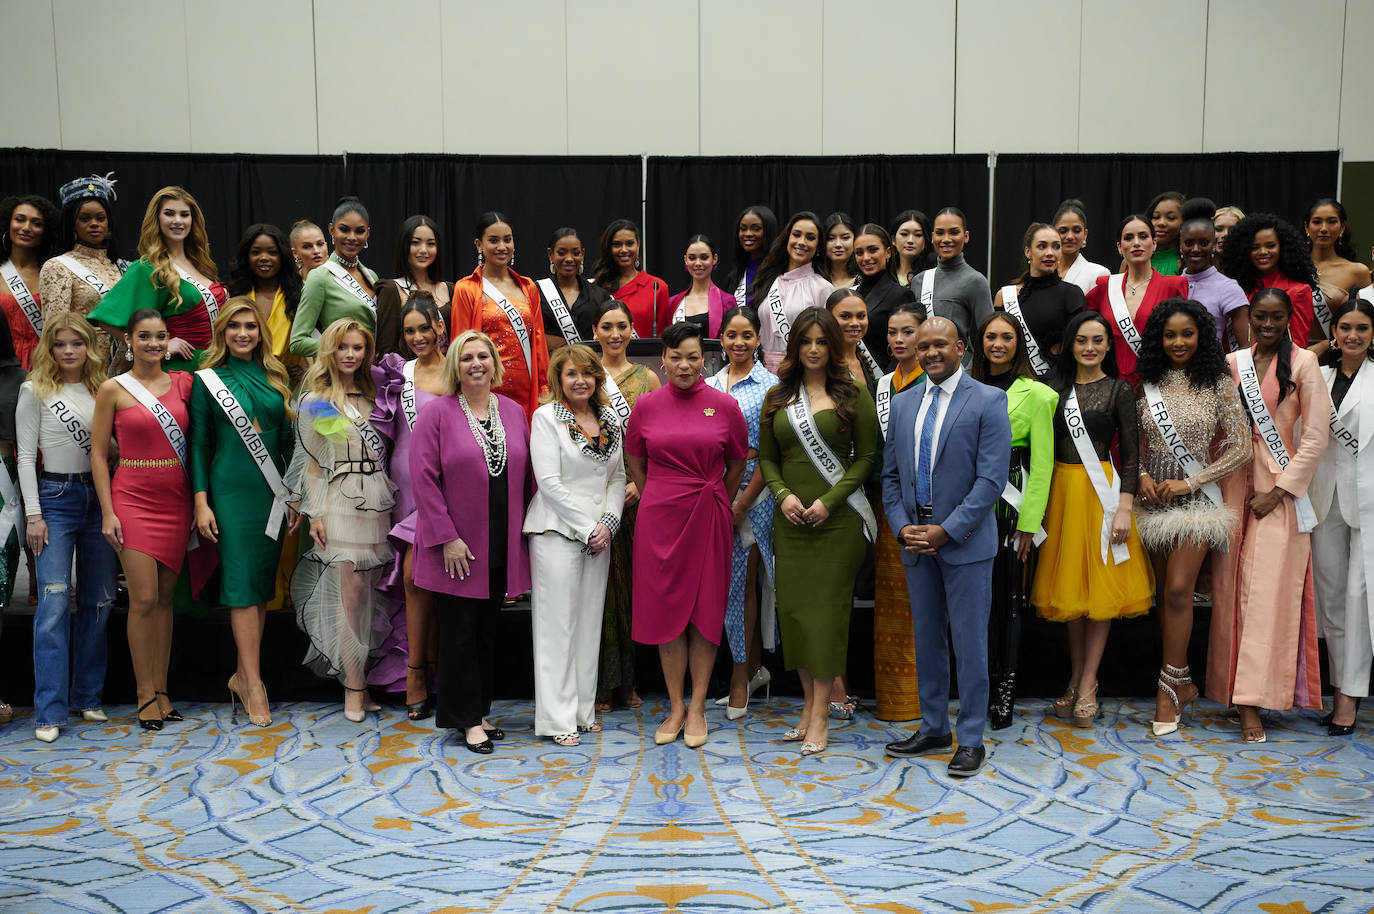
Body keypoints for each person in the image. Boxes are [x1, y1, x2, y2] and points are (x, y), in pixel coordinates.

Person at [881, 317, 1011, 777]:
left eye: (940, 344)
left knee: (969, 643)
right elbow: (891, 477)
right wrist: (902, 528)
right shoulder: (902, 404)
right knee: (928, 640)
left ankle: (971, 737)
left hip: (966, 544)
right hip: (915, 542)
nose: (931, 353)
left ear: (960, 347)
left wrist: (947, 530)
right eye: (923, 347)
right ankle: (934, 726)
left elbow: (991, 479)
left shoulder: (990, 400)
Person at [1208, 288, 1330, 742]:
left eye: (1276, 317)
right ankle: (1233, 693)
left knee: (1265, 597)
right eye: (1260, 316)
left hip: (1279, 490)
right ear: (1249, 318)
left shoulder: (1304, 364)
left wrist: (1278, 492)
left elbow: (1315, 437)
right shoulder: (1232, 362)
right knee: (1230, 593)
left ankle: (1254, 702)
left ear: (1289, 319)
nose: (1267, 324)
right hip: (1232, 484)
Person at [759, 308, 877, 755]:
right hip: (789, 519)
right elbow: (767, 457)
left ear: (833, 345)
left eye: (821, 341)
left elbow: (867, 458)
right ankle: (809, 706)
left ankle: (823, 713)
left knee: (826, 617)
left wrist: (828, 502)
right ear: (795, 346)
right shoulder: (778, 396)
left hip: (840, 520)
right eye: (805, 341)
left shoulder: (853, 394)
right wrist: (782, 494)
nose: (813, 349)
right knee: (794, 615)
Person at [410, 330, 534, 753]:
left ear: (495, 364)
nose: (476, 363)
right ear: (455, 367)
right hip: (458, 548)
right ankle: (465, 720)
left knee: (485, 631)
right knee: (460, 632)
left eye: (483, 356)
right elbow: (423, 480)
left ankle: (478, 711)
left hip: (500, 540)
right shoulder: (437, 414)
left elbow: (527, 477)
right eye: (467, 358)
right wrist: (447, 538)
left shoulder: (515, 412)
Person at [625, 321, 747, 749]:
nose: (684, 364)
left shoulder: (724, 405)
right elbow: (636, 461)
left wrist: (716, 499)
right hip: (659, 518)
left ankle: (697, 706)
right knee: (666, 612)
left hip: (709, 515)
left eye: (693, 357)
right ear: (664, 359)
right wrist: (658, 491)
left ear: (705, 359)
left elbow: (736, 464)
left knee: (704, 610)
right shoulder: (646, 406)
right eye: (676, 357)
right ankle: (675, 705)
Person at [1134, 298, 1251, 735]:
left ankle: (1168, 688)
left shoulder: (1217, 382)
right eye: (1169, 335)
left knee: (1182, 591)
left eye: (1187, 333)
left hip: (1196, 502)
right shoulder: (1146, 381)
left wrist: (1192, 481)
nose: (1178, 342)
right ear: (1158, 340)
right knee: (1165, 595)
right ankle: (1181, 680)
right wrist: (1142, 474)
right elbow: (1134, 444)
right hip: (1152, 503)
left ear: (1201, 335)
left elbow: (1241, 447)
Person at [1030, 312, 1154, 727]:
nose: (1089, 347)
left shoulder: (1120, 390)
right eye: (1081, 339)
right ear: (1069, 344)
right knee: (1071, 594)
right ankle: (1076, 680)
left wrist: (1124, 507)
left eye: (1097, 340)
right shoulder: (1051, 389)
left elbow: (1133, 457)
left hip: (1101, 496)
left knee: (1099, 593)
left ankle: (1087, 683)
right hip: (1061, 496)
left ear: (1108, 345)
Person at [191, 298, 297, 728]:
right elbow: (198, 444)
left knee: (257, 586)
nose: (242, 333)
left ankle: (240, 674)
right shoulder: (208, 379)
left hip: (271, 494)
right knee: (239, 585)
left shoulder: (276, 375)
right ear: (222, 331)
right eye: (233, 326)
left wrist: (293, 495)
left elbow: (288, 440)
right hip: (229, 493)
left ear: (261, 332)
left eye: (250, 326)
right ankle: (255, 685)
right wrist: (201, 500)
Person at [287, 319, 395, 723]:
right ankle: (352, 684)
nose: (351, 355)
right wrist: (314, 512)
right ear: (330, 350)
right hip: (339, 498)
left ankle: (362, 680)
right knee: (349, 594)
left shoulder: (375, 394)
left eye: (358, 348)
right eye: (343, 347)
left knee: (369, 594)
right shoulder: (317, 398)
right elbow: (312, 463)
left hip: (378, 499)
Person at [90, 308, 194, 730]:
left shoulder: (184, 384)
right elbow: (98, 453)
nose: (153, 344)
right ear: (129, 340)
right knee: (144, 598)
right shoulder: (112, 389)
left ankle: (163, 689)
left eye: (160, 336)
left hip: (176, 500)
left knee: (166, 600)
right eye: (145, 336)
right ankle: (143, 693)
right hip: (131, 498)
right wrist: (108, 512)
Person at [19, 313, 116, 742]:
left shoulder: (103, 389)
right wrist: (34, 515)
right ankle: (49, 711)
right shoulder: (34, 390)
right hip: (54, 500)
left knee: (100, 601)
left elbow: (112, 450)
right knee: (54, 605)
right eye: (61, 344)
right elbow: (25, 458)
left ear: (88, 347)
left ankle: (88, 697)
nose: (70, 350)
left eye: (77, 342)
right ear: (50, 349)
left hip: (99, 500)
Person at [524, 344, 625, 746]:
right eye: (571, 374)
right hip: (557, 532)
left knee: (587, 625)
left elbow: (617, 478)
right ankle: (556, 718)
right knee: (557, 627)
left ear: (597, 377)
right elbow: (549, 483)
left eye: (587, 373)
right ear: (558, 380)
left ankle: (582, 711)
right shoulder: (546, 417)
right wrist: (588, 528)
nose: (580, 380)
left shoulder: (612, 420)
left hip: (600, 536)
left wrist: (608, 525)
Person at [968, 311, 1057, 730]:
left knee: (1006, 604)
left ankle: (1004, 692)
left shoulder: (1038, 395)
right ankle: (977, 687)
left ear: (1018, 343)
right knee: (973, 605)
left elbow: (1042, 466)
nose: (998, 344)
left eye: (1006, 336)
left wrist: (1027, 524)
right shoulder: (963, 388)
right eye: (990, 337)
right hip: (967, 508)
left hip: (1010, 510)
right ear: (980, 342)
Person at [370, 295, 447, 713]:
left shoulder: (457, 371)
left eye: (424, 328)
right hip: (403, 485)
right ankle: (414, 673)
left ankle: (429, 669)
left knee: (432, 579)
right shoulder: (397, 372)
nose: (417, 337)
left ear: (438, 325)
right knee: (410, 581)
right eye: (410, 330)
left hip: (444, 488)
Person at [706, 306, 778, 718]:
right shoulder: (709, 383)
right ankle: (751, 668)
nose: (739, 343)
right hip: (712, 492)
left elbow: (771, 454)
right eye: (732, 335)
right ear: (721, 338)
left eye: (747, 335)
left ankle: (739, 678)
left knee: (743, 583)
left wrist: (742, 503)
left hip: (753, 493)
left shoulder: (770, 386)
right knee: (724, 585)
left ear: (757, 339)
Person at [1311, 297, 1374, 735]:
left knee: (1358, 599)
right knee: (1331, 599)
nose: (1352, 335)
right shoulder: (1317, 375)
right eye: (1345, 327)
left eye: (1362, 329)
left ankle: (1350, 697)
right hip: (1321, 498)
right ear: (1333, 332)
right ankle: (1338, 688)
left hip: (1367, 500)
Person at [593, 298, 659, 710]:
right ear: (595, 331)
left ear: (633, 331)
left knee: (631, 589)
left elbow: (657, 438)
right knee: (599, 593)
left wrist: (641, 484)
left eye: (622, 326)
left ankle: (628, 682)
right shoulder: (586, 373)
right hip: (595, 494)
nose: (615, 334)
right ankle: (600, 684)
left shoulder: (648, 378)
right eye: (606, 326)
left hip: (636, 498)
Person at [88, 187, 225, 371]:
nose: (178, 220)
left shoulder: (202, 264)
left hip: (217, 366)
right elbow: (105, 319)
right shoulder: (148, 268)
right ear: (157, 218)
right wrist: (161, 345)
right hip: (181, 369)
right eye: (169, 213)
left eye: (184, 214)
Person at [871, 302, 926, 722]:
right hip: (890, 502)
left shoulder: (936, 381)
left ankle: (925, 699)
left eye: (907, 331)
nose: (898, 340)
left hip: (930, 505)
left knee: (925, 601)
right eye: (892, 332)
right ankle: (893, 701)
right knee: (892, 598)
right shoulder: (885, 384)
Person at [450, 212, 549, 420]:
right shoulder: (466, 288)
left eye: (507, 239)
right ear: (479, 244)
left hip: (527, 388)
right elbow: (460, 346)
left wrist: (545, 387)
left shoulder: (528, 287)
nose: (502, 246)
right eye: (493, 240)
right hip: (485, 386)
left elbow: (539, 344)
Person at [1085, 214, 1189, 385]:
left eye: (1143, 236)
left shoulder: (1174, 286)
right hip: (1111, 384)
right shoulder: (1106, 287)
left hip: (1157, 384)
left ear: (1154, 243)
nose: (1136, 243)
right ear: (1119, 247)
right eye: (1128, 238)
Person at [38, 173, 125, 365]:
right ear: (72, 225)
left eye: (100, 218)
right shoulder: (58, 267)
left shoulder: (124, 266)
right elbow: (54, 330)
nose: (94, 223)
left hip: (127, 365)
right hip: (85, 365)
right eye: (85, 218)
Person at [289, 197, 378, 357]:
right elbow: (297, 342)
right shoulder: (319, 277)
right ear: (331, 230)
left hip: (372, 375)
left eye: (359, 231)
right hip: (339, 375)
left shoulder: (371, 276)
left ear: (368, 233)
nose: (352, 237)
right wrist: (344, 349)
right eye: (344, 229)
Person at [993, 222, 1086, 374]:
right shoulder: (1004, 296)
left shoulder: (1073, 294)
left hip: (1057, 386)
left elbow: (1078, 349)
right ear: (1028, 252)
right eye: (1042, 246)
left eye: (1056, 246)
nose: (1050, 252)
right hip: (1013, 385)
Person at [748, 211, 835, 372]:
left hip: (802, 371)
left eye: (810, 238)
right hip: (762, 371)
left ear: (818, 247)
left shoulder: (823, 288)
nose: (801, 242)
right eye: (796, 235)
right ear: (788, 238)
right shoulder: (769, 280)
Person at [1220, 213, 1319, 351]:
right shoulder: (1237, 289)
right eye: (1255, 247)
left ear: (1283, 248)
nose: (1263, 252)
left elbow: (1297, 347)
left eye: (1270, 245)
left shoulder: (1298, 292)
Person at [227, 224, 305, 384]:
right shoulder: (234, 295)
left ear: (282, 256)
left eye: (272, 252)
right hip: (243, 383)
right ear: (246, 256)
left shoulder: (298, 295)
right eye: (256, 252)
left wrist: (304, 369)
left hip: (288, 387)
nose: (264, 257)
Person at [909, 207, 994, 351]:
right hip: (923, 368)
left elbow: (989, 334)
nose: (946, 239)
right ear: (933, 237)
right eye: (940, 233)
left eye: (954, 232)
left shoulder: (975, 281)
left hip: (959, 369)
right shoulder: (919, 281)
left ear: (966, 236)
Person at [374, 215, 452, 357]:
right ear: (404, 246)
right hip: (408, 375)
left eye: (430, 244)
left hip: (447, 375)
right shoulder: (391, 290)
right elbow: (387, 351)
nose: (423, 250)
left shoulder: (450, 289)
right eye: (415, 243)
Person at [1178, 202, 1251, 351]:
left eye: (1204, 243)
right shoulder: (1170, 284)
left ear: (1213, 244)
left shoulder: (1228, 287)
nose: (1196, 249)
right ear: (1181, 245)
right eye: (1189, 243)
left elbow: (1247, 348)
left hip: (1213, 370)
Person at [1, 194, 60, 369]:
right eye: (20, 220)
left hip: (46, 365)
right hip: (4, 367)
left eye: (36, 223)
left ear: (46, 231)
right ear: (8, 224)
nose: (26, 228)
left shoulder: (55, 273)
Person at [853, 223, 916, 373]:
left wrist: (887, 385)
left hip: (887, 379)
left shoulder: (901, 295)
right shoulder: (852, 294)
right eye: (859, 252)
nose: (866, 257)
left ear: (888, 253)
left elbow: (906, 348)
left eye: (873, 250)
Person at [593, 219, 670, 337]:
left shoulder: (657, 286)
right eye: (617, 244)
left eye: (629, 243)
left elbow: (664, 336)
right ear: (608, 248)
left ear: (638, 245)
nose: (624, 250)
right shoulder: (597, 286)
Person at [1305, 199, 1373, 334]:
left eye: (1332, 221)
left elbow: (1365, 322)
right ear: (1307, 227)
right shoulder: (1291, 268)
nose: (1324, 228)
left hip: (1338, 351)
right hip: (1293, 351)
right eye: (1317, 222)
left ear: (1342, 228)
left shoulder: (1357, 271)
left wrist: (1326, 345)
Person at [537, 227, 610, 349]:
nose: (569, 259)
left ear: (582, 254)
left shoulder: (599, 295)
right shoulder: (537, 292)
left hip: (590, 364)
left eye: (576, 253)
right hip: (551, 365)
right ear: (550, 254)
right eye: (561, 253)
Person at [667, 234, 731, 338]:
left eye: (704, 257)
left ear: (714, 259)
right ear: (685, 260)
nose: (698, 263)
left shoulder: (727, 301)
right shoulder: (673, 303)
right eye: (692, 258)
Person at [1054, 199, 1111, 294]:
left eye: (1076, 230)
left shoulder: (1099, 274)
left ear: (1085, 234)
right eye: (1063, 231)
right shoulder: (1044, 271)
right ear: (1053, 233)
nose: (1070, 237)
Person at [726, 206, 778, 307]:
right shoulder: (734, 277)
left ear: (768, 231)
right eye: (743, 229)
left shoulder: (780, 273)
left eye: (756, 229)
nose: (748, 234)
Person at [827, 288, 878, 389]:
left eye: (861, 316)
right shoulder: (823, 364)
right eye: (845, 316)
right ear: (829, 318)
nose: (855, 323)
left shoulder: (861, 360)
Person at [888, 210, 936, 287]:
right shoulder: (884, 276)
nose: (910, 240)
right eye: (904, 234)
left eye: (918, 235)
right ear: (893, 240)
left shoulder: (934, 276)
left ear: (927, 240)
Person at [1146, 191, 1185, 275]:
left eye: (1171, 218)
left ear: (1184, 222)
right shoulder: (1132, 261)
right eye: (1156, 217)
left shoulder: (1188, 263)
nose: (1161, 223)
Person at [819, 212, 859, 289]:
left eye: (845, 238)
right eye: (831, 238)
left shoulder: (866, 278)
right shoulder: (814, 279)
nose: (838, 244)